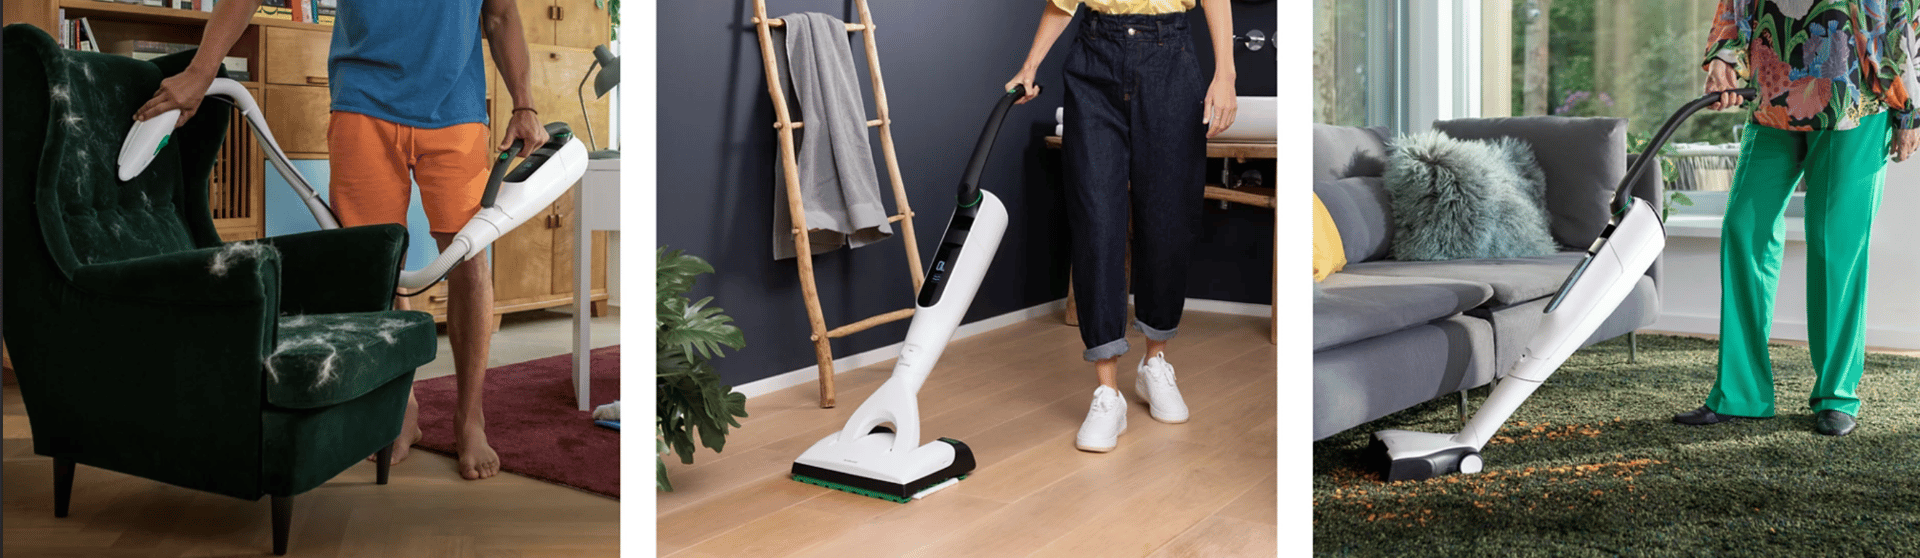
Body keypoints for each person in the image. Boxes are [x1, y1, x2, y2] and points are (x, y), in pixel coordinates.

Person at [135, 0, 551, 478]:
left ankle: (469, 418)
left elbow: (498, 14)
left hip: (455, 109)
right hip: (363, 102)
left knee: (467, 258)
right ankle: (401, 406)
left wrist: (524, 103)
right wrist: (201, 70)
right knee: (379, 266)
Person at [1675, 0, 1919, 437]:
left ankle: (1836, 396)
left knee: (1834, 246)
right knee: (1743, 229)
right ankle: (1742, 393)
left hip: (1857, 100)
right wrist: (1721, 57)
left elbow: (1904, 13)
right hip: (1774, 95)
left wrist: (1909, 107)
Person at [1006, 0, 1237, 452]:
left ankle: (1155, 363)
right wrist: (1029, 66)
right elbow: (1063, 2)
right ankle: (1107, 392)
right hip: (1094, 57)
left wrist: (1225, 73)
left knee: (1168, 219)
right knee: (1095, 221)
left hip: (1170, 54)